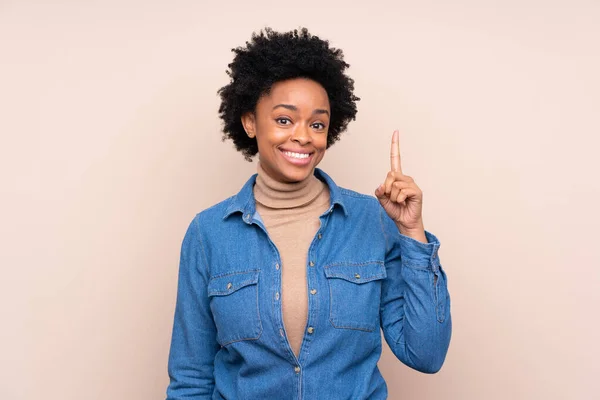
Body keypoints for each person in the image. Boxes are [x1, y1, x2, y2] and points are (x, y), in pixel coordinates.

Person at [166, 27, 452, 400]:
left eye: (317, 124)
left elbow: (426, 353)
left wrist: (412, 232)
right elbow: (191, 377)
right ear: (250, 122)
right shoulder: (209, 233)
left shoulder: (374, 221)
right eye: (284, 120)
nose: (303, 136)